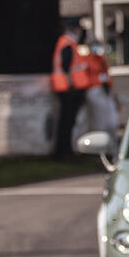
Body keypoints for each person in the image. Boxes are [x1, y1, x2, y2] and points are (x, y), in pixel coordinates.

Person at [50, 19, 88, 158]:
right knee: (66, 122)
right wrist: (71, 84)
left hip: (66, 87)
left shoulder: (68, 43)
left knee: (67, 122)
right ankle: (64, 151)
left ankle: (65, 150)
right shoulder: (67, 43)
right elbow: (66, 68)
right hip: (67, 89)